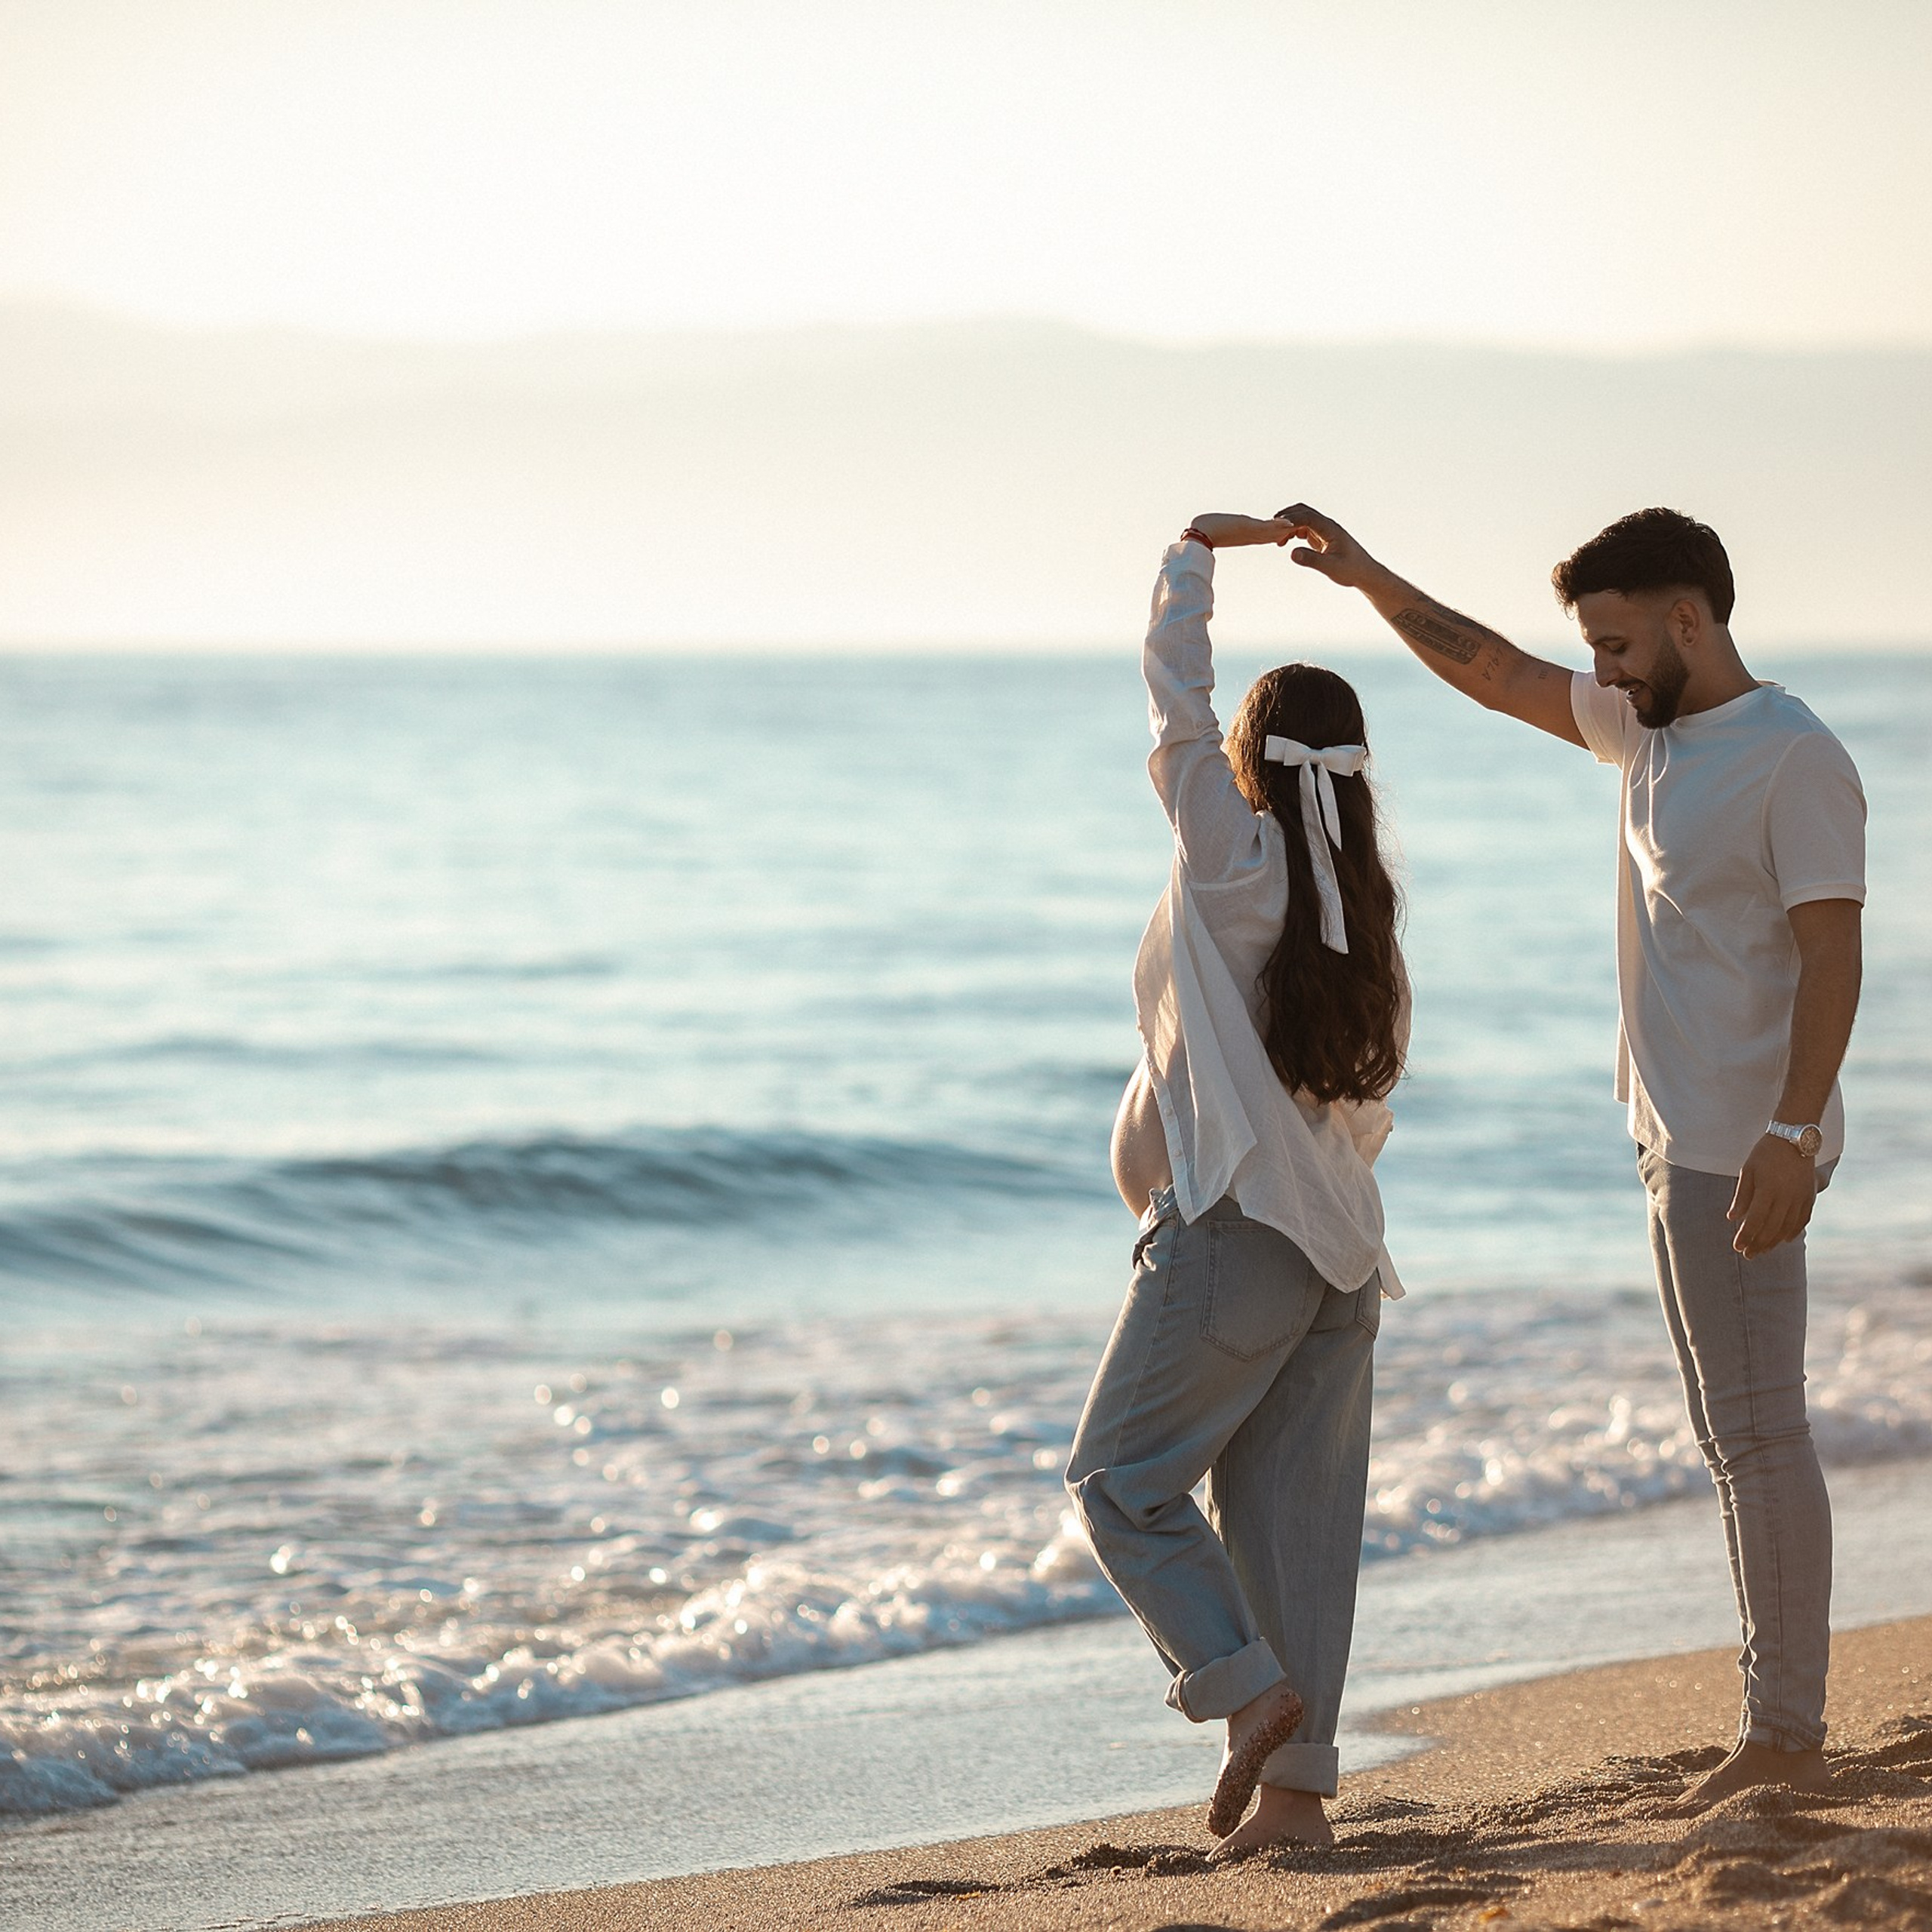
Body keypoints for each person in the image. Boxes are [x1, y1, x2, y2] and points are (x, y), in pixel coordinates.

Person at [1278, 501, 1866, 1810]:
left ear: (1688, 619)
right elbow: (1491, 669)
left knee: (1762, 1434)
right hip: (1676, 1135)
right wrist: (1369, 576)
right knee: (1736, 1437)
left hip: (1745, 1142)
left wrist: (1791, 1132)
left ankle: (1787, 1737)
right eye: (1590, 648)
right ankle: (1780, 1720)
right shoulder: (1645, 732)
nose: (1597, 669)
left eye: (1613, 643)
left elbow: (1835, 954)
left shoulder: (1793, 757)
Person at [1066, 511, 1408, 1857]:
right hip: (1339, 1263)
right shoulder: (1364, 915)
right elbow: (1363, 1113)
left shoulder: (1236, 859)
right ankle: (1298, 1810)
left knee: (1117, 1484)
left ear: (1246, 765)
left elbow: (1171, 705)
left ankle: (1245, 1686)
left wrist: (1195, 554)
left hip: (1235, 1250)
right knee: (1295, 1537)